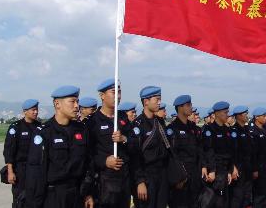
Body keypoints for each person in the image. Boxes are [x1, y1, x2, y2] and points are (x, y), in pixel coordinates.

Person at [25, 86, 94, 208]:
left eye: (77, 101)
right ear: (57, 104)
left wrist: (88, 193)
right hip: (53, 196)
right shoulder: (44, 132)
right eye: (72, 101)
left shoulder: (81, 130)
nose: (77, 106)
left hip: (77, 194)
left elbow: (88, 163)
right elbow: (36, 173)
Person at [86, 78, 132, 208]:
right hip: (104, 181)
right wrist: (104, 161)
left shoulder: (123, 118)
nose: (118, 96)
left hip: (124, 179)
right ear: (102, 96)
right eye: (113, 92)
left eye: (119, 92)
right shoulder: (93, 122)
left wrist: (124, 139)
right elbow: (88, 154)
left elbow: (134, 145)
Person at [132, 86, 169, 208]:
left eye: (160, 99)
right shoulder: (138, 125)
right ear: (146, 101)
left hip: (162, 174)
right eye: (156, 99)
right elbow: (135, 156)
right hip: (147, 175)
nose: (159, 102)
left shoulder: (160, 122)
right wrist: (140, 181)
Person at [3, 99, 42, 208]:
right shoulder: (16, 127)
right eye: (33, 110)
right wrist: (10, 172)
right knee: (19, 198)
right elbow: (9, 151)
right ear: (25, 112)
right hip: (20, 169)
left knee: (36, 196)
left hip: (35, 169)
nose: (36, 112)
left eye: (36, 110)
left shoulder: (39, 127)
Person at [166, 95, 202, 208]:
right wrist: (178, 178)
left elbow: (199, 151)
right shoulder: (172, 129)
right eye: (188, 105)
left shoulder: (193, 128)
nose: (191, 107)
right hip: (181, 177)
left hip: (194, 175)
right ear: (180, 108)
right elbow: (171, 155)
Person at [201, 101, 238, 208]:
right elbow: (208, 151)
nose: (227, 115)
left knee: (224, 201)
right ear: (217, 113)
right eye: (225, 112)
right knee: (215, 201)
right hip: (215, 172)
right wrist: (212, 170)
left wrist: (230, 170)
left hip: (225, 171)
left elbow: (229, 152)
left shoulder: (227, 130)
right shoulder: (209, 130)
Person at [229, 105, 254, 208]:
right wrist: (233, 167)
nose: (247, 116)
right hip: (239, 168)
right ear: (238, 116)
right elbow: (232, 152)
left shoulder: (246, 129)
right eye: (245, 114)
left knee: (247, 195)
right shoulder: (234, 131)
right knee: (238, 196)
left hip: (248, 167)